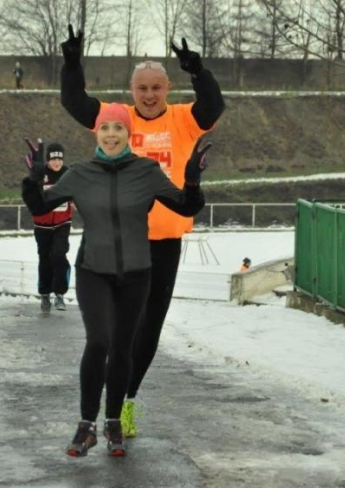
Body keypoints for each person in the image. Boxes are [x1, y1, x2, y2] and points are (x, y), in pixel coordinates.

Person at [60, 25, 224, 438]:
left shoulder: (184, 119)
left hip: (164, 243)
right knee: (112, 334)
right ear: (131, 90)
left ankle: (127, 401)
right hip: (118, 241)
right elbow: (76, 103)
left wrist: (198, 72)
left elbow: (213, 104)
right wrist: (71, 64)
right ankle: (100, 407)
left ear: (167, 88)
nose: (149, 95)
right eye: (142, 88)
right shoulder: (119, 119)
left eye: (156, 87)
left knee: (148, 330)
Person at [21, 104, 211, 457]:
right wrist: (35, 177)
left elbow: (185, 206)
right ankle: (86, 424)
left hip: (138, 273)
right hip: (94, 270)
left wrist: (192, 179)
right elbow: (39, 207)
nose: (111, 134)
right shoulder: (79, 174)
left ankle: (112, 423)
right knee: (99, 342)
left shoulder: (147, 172)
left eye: (118, 128)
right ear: (97, 133)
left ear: (128, 134)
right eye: (105, 128)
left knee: (123, 349)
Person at [30, 142, 73, 312]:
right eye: (53, 159)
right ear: (48, 160)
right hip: (42, 224)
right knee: (45, 258)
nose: (57, 163)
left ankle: (60, 294)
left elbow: (77, 191)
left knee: (59, 255)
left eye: (60, 159)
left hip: (63, 222)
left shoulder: (69, 174)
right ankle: (45, 294)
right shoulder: (41, 174)